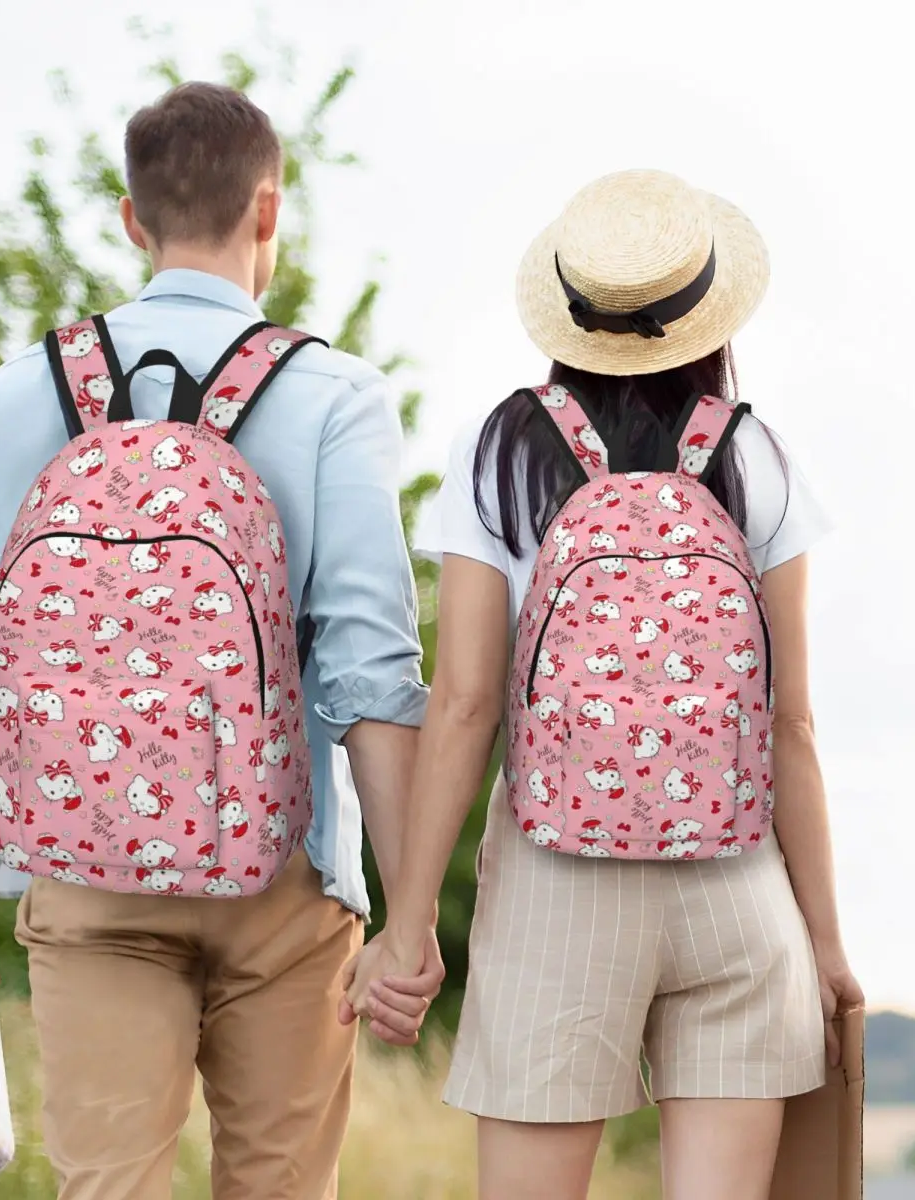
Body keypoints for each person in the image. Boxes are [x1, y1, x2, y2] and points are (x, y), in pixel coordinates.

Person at [0, 81, 444, 1200]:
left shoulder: (19, 394)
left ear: (132, 219)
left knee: (108, 1186)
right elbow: (372, 678)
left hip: (83, 878)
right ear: (269, 212)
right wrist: (410, 915)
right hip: (285, 876)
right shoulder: (333, 394)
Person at [342, 169, 864, 1200]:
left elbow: (464, 705)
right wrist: (826, 942)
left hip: (556, 882)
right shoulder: (756, 455)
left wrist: (407, 927)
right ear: (707, 313)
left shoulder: (500, 451)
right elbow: (791, 723)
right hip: (738, 885)